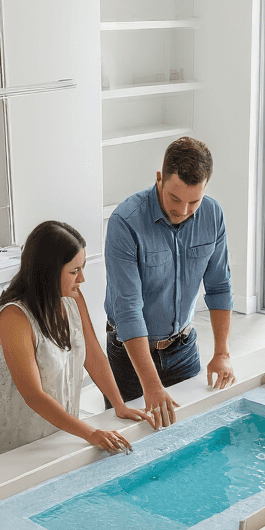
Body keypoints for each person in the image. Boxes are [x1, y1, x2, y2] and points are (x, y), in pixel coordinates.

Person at [0, 220, 148, 463]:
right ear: (48, 272)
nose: (82, 279)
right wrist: (91, 433)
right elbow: (33, 395)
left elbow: (93, 354)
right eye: (74, 271)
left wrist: (119, 404)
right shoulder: (14, 318)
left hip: (58, 429)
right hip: (15, 437)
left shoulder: (72, 298)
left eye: (82, 268)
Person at [104, 136, 236, 427]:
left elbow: (219, 287)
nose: (183, 210)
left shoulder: (212, 215)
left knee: (190, 434)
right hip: (130, 355)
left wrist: (222, 353)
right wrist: (150, 385)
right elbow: (127, 310)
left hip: (183, 348)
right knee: (132, 444)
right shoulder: (124, 223)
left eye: (194, 201)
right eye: (175, 198)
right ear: (159, 179)